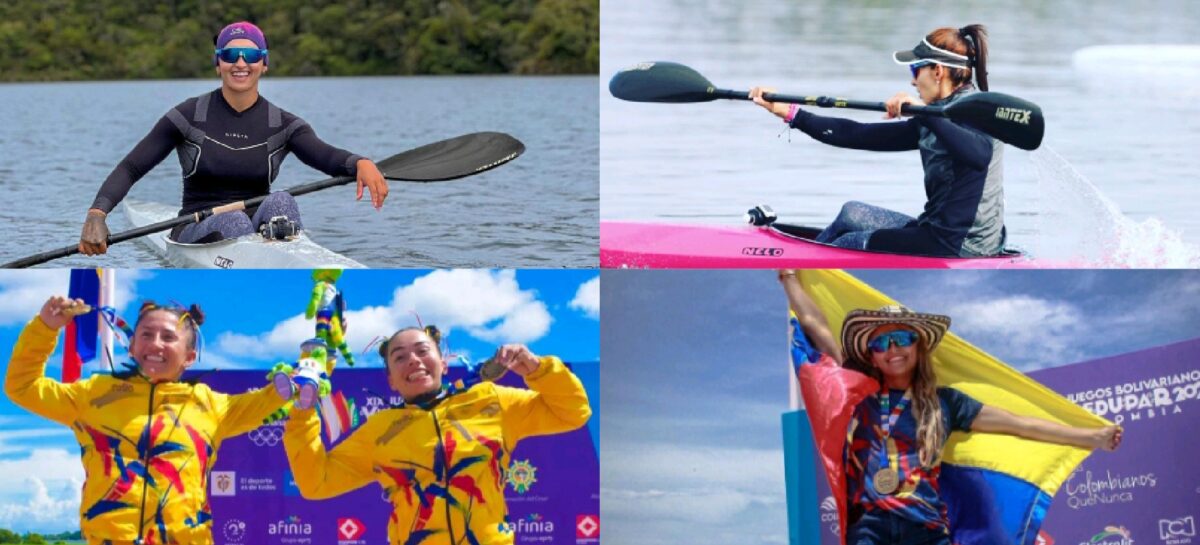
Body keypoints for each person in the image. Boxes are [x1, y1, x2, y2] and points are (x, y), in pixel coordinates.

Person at [777, 270, 1122, 545]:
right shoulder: (856, 387)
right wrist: (789, 276)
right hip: (869, 528)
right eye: (881, 342)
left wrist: (1091, 436)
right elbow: (816, 326)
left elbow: (1020, 426)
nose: (893, 347)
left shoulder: (946, 402)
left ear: (919, 346)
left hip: (926, 527)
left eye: (903, 338)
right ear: (871, 355)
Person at [79, 21, 388, 254]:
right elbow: (131, 168)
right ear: (219, 63)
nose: (241, 63)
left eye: (251, 54)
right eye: (230, 55)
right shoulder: (187, 116)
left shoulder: (283, 124)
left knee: (282, 200)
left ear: (263, 64)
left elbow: (326, 156)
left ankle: (283, 258)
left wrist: (360, 163)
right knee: (234, 223)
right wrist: (97, 214)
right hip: (196, 226)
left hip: (259, 222)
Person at [4, 296, 288, 544]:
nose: (155, 344)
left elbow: (275, 397)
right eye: (146, 335)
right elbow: (22, 387)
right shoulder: (92, 395)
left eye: (168, 337)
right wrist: (44, 329)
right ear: (131, 346)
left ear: (189, 356)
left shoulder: (211, 404)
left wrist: (309, 371)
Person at [283, 326, 592, 545]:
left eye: (422, 351)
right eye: (400, 357)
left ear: (443, 364)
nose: (413, 360)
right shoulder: (378, 430)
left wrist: (538, 369)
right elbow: (315, 481)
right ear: (391, 380)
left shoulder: (491, 400)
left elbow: (573, 412)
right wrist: (302, 411)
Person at [750, 25, 1005, 258]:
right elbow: (855, 134)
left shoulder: (977, 113)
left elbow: (980, 156)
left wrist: (923, 113)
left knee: (851, 242)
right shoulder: (935, 115)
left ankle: (798, 267)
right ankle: (799, 258)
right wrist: (788, 112)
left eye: (915, 70)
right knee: (852, 212)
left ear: (937, 71)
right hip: (937, 229)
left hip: (961, 245)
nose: (913, 81)